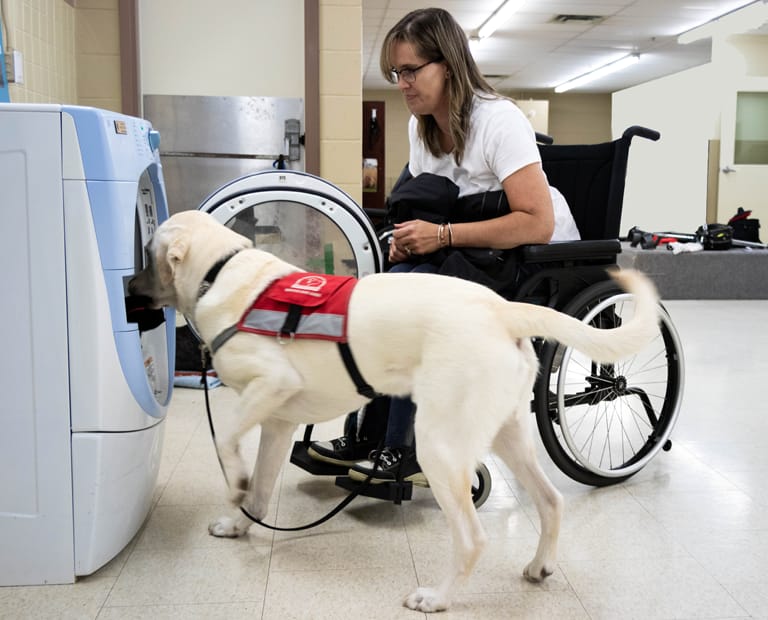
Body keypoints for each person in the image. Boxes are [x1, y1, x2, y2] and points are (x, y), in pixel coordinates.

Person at [308, 7, 580, 484]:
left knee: (418, 308)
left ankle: (404, 446)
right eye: (397, 73)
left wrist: (442, 236)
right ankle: (368, 433)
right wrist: (409, 242)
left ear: (448, 65)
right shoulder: (423, 127)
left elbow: (538, 221)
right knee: (382, 293)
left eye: (411, 70)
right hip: (463, 254)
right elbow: (432, 208)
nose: (403, 83)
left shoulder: (500, 121)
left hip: (520, 256)